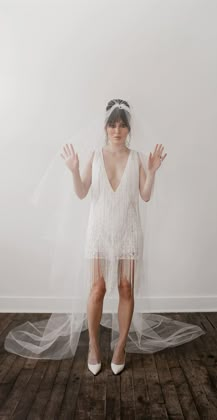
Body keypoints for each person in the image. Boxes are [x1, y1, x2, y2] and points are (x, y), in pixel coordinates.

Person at [4, 98, 205, 374]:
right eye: (113, 125)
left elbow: (145, 196)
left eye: (122, 125)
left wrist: (153, 171)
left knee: (125, 287)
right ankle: (95, 346)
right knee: (97, 288)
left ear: (129, 129)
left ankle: (121, 345)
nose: (117, 130)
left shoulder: (136, 158)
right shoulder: (96, 156)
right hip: (98, 232)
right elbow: (82, 191)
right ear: (105, 127)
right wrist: (74, 170)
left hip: (129, 231)